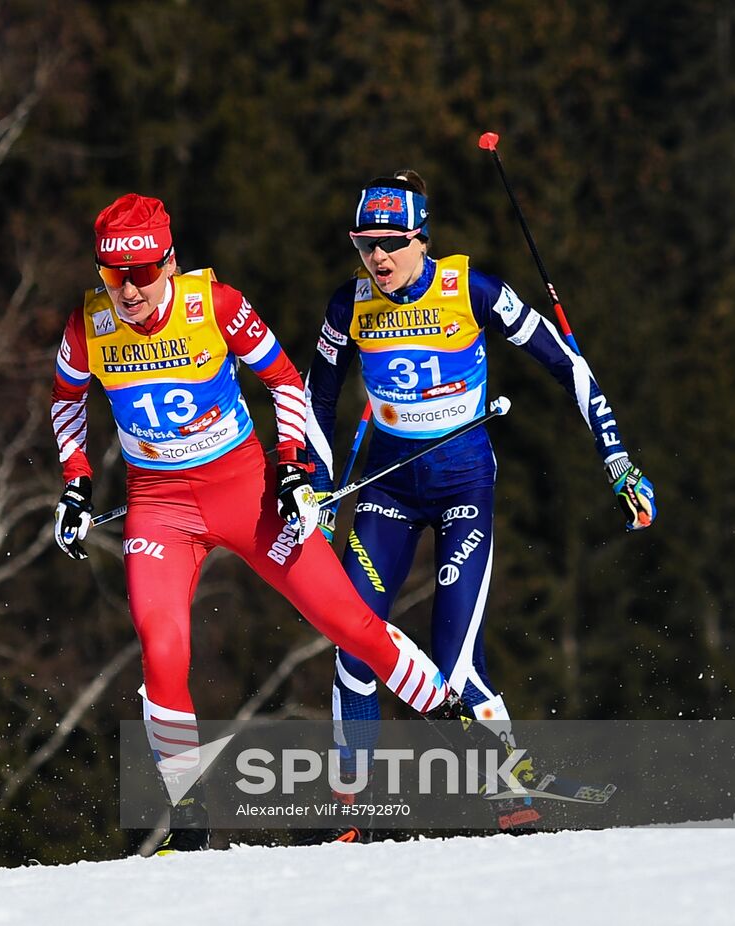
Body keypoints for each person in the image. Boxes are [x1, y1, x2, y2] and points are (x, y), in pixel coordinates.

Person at [49, 193, 470, 855]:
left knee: (347, 622)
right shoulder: (89, 323)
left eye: (141, 274)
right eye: (111, 275)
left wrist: (297, 464)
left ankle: (451, 717)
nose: (126, 291)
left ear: (169, 263)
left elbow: (283, 381)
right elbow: (66, 401)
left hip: (245, 490)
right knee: (162, 650)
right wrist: (75, 485)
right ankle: (187, 822)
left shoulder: (213, 306)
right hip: (159, 505)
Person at [301, 171, 657, 840]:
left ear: (421, 238)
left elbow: (567, 364)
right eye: (364, 244)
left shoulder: (472, 289)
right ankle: (352, 808)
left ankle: (509, 794)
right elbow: (315, 399)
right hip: (388, 490)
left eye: (392, 243)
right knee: (354, 640)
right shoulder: (348, 305)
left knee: (456, 663)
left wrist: (616, 458)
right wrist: (315, 480)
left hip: (464, 487)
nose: (378, 258)